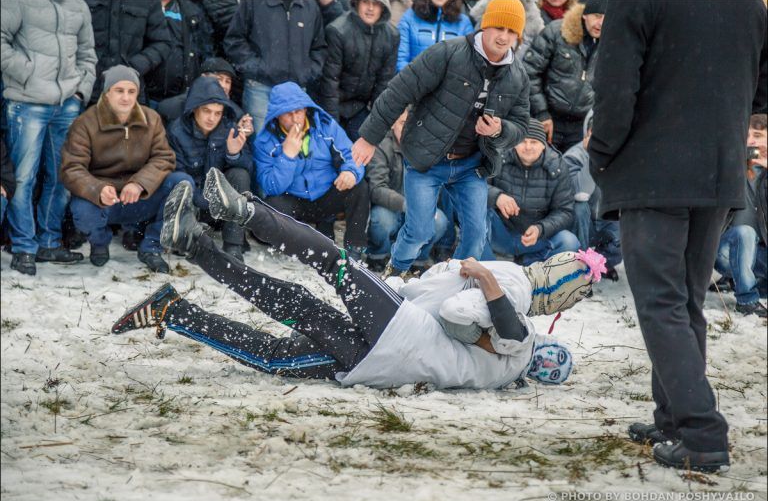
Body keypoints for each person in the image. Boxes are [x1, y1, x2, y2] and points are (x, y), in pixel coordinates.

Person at [111, 167, 605, 389]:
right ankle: (184, 275)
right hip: (378, 362)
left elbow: (458, 315)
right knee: (280, 337)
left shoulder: (516, 341)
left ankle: (241, 214)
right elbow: (450, 312)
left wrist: (481, 279)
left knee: (333, 262)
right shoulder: (501, 366)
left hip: (398, 331)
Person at [588, 0, 767, 473]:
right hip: (717, 169)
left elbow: (613, 87)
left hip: (653, 169)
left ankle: (702, 431)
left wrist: (603, 153)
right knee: (685, 301)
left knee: (663, 303)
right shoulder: (748, 4)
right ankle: (673, 419)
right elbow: (762, 89)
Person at [352, 0, 530, 278]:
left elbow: (521, 124)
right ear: (486, 26)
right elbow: (400, 89)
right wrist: (369, 138)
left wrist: (499, 130)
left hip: (472, 163)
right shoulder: (448, 52)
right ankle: (394, 273)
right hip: (427, 157)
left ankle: (451, 284)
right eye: (499, 28)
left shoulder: (517, 76)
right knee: (420, 230)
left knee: (475, 233)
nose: (504, 37)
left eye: (511, 32)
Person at [60, 66, 192, 273]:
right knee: (81, 207)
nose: (126, 97)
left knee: (182, 183)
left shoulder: (151, 118)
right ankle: (100, 243)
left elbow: (164, 157)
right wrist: (97, 189)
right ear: (107, 92)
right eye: (119, 90)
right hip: (105, 202)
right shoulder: (85, 123)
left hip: (139, 198)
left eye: (131, 92)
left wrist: (140, 183)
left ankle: (151, 246)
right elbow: (72, 168)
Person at [1, 0, 97, 275]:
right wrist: (26, 72)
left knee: (62, 175)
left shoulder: (78, 4)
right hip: (26, 101)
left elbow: (87, 53)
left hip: (67, 102)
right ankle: (24, 247)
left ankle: (49, 241)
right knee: (23, 177)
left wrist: (81, 91)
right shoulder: (17, 0)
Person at [254, 82, 369, 260]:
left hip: (327, 195)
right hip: (295, 201)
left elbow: (351, 153)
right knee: (271, 206)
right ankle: (296, 245)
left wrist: (351, 172)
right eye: (287, 114)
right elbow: (271, 187)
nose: (294, 119)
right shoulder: (265, 141)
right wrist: (287, 156)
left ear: (306, 109)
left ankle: (355, 250)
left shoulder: (325, 126)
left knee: (359, 187)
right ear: (276, 116)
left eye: (298, 112)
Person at [167, 76, 253, 260]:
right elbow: (176, 172)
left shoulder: (229, 128)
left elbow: (249, 169)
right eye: (206, 111)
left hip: (220, 202)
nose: (212, 118)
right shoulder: (177, 131)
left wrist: (233, 154)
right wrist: (206, 201)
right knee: (181, 181)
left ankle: (233, 245)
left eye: (217, 112)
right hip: (195, 202)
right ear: (195, 108)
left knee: (240, 173)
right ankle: (185, 236)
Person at [481, 118, 578, 264]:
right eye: (523, 141)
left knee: (569, 242)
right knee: (478, 212)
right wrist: (497, 197)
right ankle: (490, 268)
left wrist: (541, 228)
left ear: (543, 145)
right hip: (501, 232)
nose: (527, 147)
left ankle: (529, 262)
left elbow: (565, 211)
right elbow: (475, 187)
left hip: (535, 239)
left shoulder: (557, 166)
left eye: (534, 142)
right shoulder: (498, 157)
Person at [224, 0, 327, 134]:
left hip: (296, 91)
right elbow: (234, 40)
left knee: (294, 146)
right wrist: (258, 68)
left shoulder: (310, 5)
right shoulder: (253, 1)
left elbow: (319, 47)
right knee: (260, 145)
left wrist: (307, 73)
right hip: (260, 88)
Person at [366, 111, 450, 272]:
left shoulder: (426, 148)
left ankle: (417, 259)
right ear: (393, 124)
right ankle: (379, 256)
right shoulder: (382, 146)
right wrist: (407, 204)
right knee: (381, 220)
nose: (407, 129)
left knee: (439, 221)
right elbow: (376, 189)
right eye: (403, 123)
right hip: (390, 207)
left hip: (418, 206)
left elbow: (435, 183)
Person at [522, 0, 605, 151]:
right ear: (585, 13)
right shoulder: (556, 31)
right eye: (597, 15)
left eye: (607, 17)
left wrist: (594, 123)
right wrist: (541, 113)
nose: (601, 23)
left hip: (581, 125)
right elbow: (529, 72)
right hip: (548, 118)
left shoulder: (612, 45)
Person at [318, 0, 399, 141]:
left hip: (360, 108)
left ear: (383, 8)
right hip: (333, 106)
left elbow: (384, 82)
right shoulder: (338, 31)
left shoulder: (391, 35)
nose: (371, 8)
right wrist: (332, 127)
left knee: (367, 150)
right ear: (357, 3)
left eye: (376, 4)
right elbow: (330, 83)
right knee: (336, 150)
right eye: (366, 2)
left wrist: (375, 126)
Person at [714, 114, 768, 317]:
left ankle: (745, 282)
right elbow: (725, 155)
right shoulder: (732, 167)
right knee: (744, 233)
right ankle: (747, 300)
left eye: (757, 135)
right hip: (725, 250)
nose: (751, 141)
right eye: (746, 135)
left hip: (761, 256)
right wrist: (745, 157)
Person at [563, 110, 621, 280]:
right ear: (589, 133)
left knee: (625, 236)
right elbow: (580, 194)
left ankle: (599, 265)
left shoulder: (618, 155)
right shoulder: (574, 156)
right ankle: (579, 267)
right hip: (581, 223)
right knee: (579, 207)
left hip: (604, 218)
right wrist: (592, 157)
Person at [84, 0, 172, 105]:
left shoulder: (149, 0)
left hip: (130, 93)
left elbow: (162, 42)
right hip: (88, 91)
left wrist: (133, 67)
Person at [145, 0, 214, 106]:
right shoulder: (140, 6)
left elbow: (205, 49)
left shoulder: (192, 11)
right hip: (147, 95)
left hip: (181, 97)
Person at [396, 0, 474, 72]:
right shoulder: (409, 18)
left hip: (451, 84)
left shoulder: (463, 22)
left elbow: (469, 64)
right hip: (413, 82)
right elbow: (400, 60)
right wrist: (414, 82)